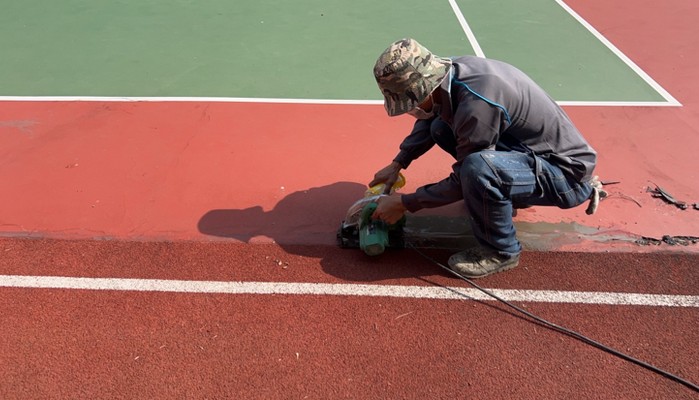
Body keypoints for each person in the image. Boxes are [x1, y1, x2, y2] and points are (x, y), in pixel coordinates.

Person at [369, 38, 602, 278]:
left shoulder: (477, 105)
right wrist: (398, 163)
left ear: (426, 88)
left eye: (412, 103)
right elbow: (431, 117)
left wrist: (405, 203)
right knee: (440, 127)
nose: (412, 110)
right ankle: (501, 196)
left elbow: (465, 175)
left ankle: (501, 251)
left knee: (478, 170)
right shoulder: (451, 74)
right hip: (532, 154)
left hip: (566, 176)